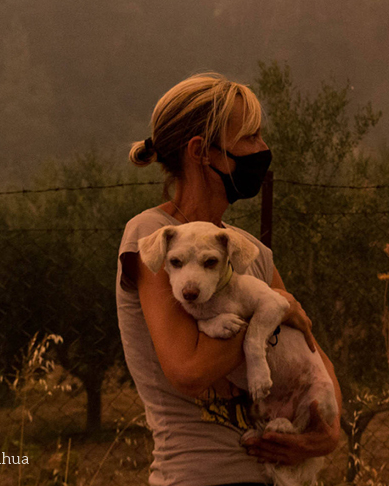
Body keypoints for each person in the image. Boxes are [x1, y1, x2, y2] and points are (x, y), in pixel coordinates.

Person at [116, 72, 342, 486]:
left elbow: (314, 356)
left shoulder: (246, 250)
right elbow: (189, 370)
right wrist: (274, 308)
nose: (263, 150)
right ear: (202, 151)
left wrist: (321, 440)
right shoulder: (154, 239)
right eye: (250, 138)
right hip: (201, 474)